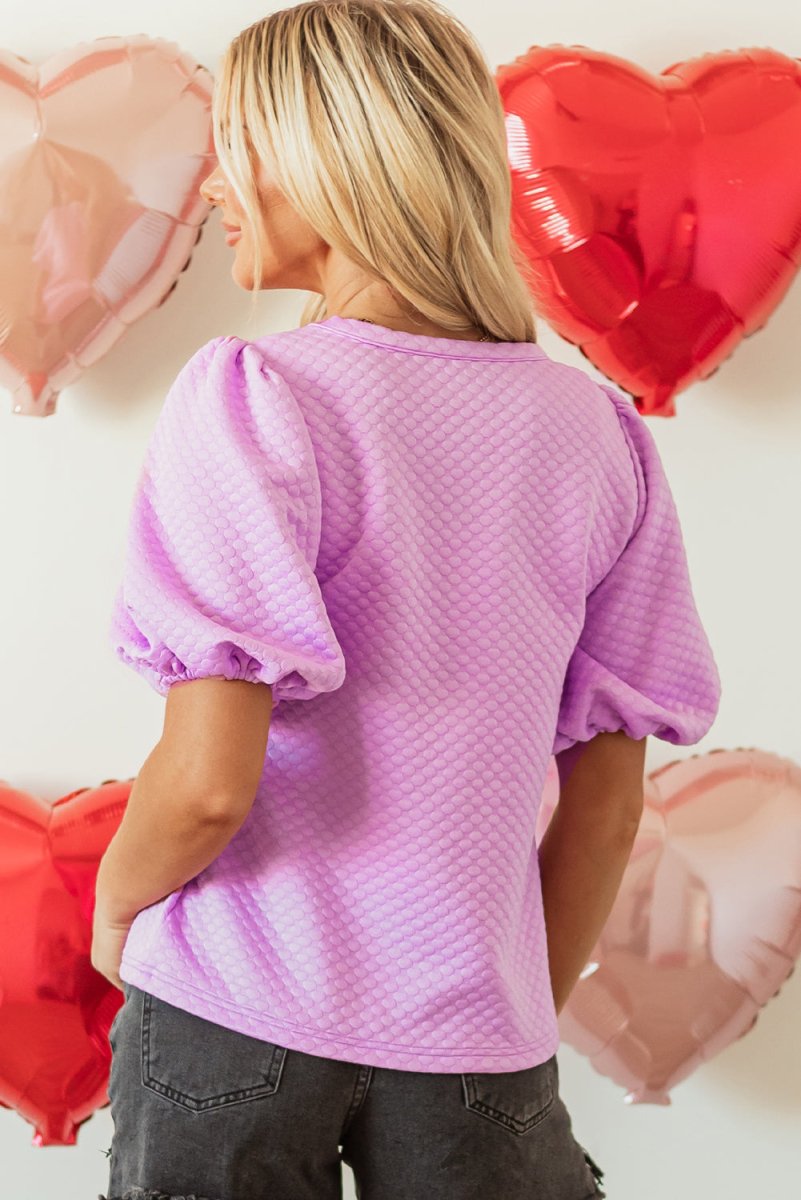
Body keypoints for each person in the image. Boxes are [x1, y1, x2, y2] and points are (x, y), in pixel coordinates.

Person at [93, 2, 722, 1198]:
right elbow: (604, 802)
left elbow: (210, 784)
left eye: (240, 144)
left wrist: (117, 909)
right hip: (477, 1037)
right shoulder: (599, 435)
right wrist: (509, 1000)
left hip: (235, 1007)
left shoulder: (255, 394)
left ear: (327, 157)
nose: (217, 185)